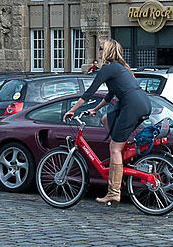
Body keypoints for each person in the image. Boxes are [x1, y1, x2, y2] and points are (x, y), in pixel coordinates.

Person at [64, 39, 152, 207]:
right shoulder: (119, 68)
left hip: (132, 105)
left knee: (114, 148)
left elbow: (90, 92)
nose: (99, 51)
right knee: (106, 119)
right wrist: (96, 110)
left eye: (101, 49)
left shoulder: (108, 68)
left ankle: (114, 192)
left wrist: (72, 110)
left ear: (108, 52)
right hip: (141, 103)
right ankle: (119, 161)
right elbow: (110, 95)